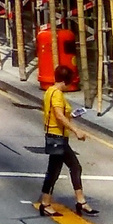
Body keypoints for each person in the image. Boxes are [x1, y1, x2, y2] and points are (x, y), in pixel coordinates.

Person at [36, 62, 95, 216]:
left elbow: (59, 114)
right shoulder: (56, 94)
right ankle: (78, 201)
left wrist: (71, 115)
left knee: (56, 170)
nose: (69, 86)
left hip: (56, 136)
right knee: (72, 167)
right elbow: (59, 115)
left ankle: (49, 202)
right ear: (64, 81)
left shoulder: (50, 91)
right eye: (69, 82)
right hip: (57, 137)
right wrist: (76, 130)